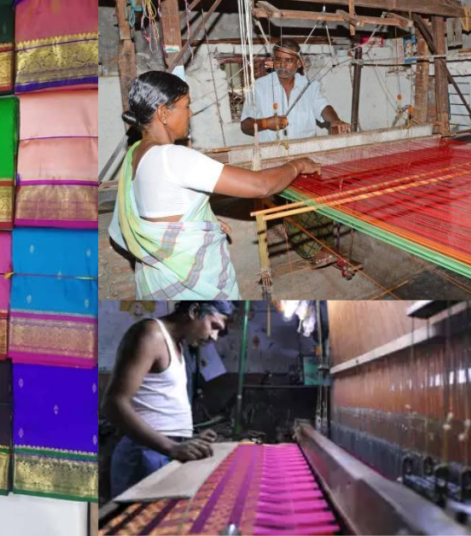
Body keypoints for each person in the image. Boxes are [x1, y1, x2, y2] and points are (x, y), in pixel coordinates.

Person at [108, 71, 321, 299]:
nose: (190, 113)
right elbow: (262, 186)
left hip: (157, 279)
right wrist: (297, 165)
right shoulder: (173, 158)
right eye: (186, 106)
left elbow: (162, 207)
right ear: (163, 113)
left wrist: (201, 222)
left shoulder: (136, 153)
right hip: (189, 286)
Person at [104, 301, 233, 499]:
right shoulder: (151, 334)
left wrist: (189, 439)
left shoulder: (179, 347)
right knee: (140, 527)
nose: (213, 337)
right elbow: (114, 403)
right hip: (145, 454)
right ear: (194, 311)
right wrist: (171, 446)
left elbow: (159, 402)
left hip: (165, 450)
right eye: (214, 326)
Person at [240, 39, 351, 267]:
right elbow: (245, 124)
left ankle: (325, 244)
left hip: (306, 155)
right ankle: (310, 251)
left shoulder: (309, 86)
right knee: (295, 205)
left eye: (289, 60)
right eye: (278, 59)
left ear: (299, 63)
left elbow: (323, 108)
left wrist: (335, 120)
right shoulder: (259, 87)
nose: (283, 65)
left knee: (321, 202)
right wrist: (265, 123)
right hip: (276, 157)